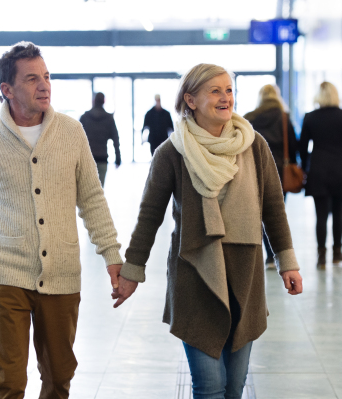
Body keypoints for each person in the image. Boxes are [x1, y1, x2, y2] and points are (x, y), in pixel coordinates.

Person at [112, 63, 303, 399]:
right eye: (215, 91)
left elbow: (273, 207)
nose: (225, 97)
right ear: (191, 99)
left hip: (245, 277)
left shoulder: (253, 145)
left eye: (228, 90)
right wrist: (132, 271)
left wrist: (287, 261)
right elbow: (149, 217)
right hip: (196, 276)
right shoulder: (172, 152)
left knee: (234, 386)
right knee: (210, 387)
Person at [0, 42, 123, 399]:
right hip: (5, 272)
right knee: (9, 382)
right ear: (7, 89)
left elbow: (92, 198)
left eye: (46, 76)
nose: (44, 85)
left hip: (61, 272)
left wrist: (112, 255)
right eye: (32, 79)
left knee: (59, 376)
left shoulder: (71, 132)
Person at [299, 81, 342, 268]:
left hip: (318, 170)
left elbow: (303, 147)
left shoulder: (310, 117)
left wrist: (304, 168)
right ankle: (337, 253)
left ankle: (321, 257)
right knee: (338, 213)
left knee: (320, 216)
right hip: (340, 169)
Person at [244, 84, 298, 269]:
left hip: (253, 171)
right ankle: (273, 256)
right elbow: (293, 146)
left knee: (257, 214)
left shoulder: (249, 118)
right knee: (276, 213)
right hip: (280, 173)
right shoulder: (284, 118)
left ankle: (264, 256)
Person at [79, 92, 121, 187]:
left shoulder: (85, 118)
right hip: (102, 158)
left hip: (87, 159)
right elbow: (115, 139)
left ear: (93, 101)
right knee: (99, 190)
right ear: (104, 102)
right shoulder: (109, 119)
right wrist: (118, 158)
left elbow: (76, 140)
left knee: (86, 190)